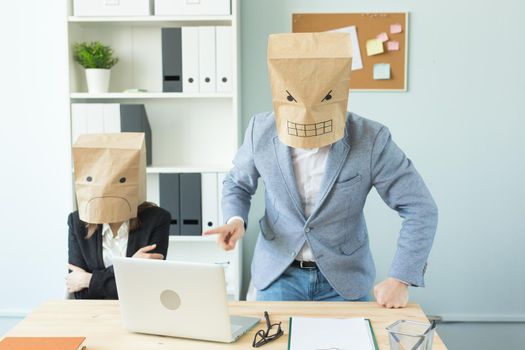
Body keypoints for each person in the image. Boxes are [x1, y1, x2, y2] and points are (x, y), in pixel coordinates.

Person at [204, 33, 438, 308]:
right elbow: (237, 183)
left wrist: (401, 278)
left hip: (345, 280)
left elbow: (421, 207)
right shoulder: (260, 131)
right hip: (278, 275)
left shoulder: (372, 139)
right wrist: (235, 220)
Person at [66, 133, 170, 299]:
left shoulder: (157, 220)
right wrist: (131, 268)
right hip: (93, 314)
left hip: (140, 310)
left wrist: (89, 280)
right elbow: (78, 290)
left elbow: (146, 286)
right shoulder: (77, 222)